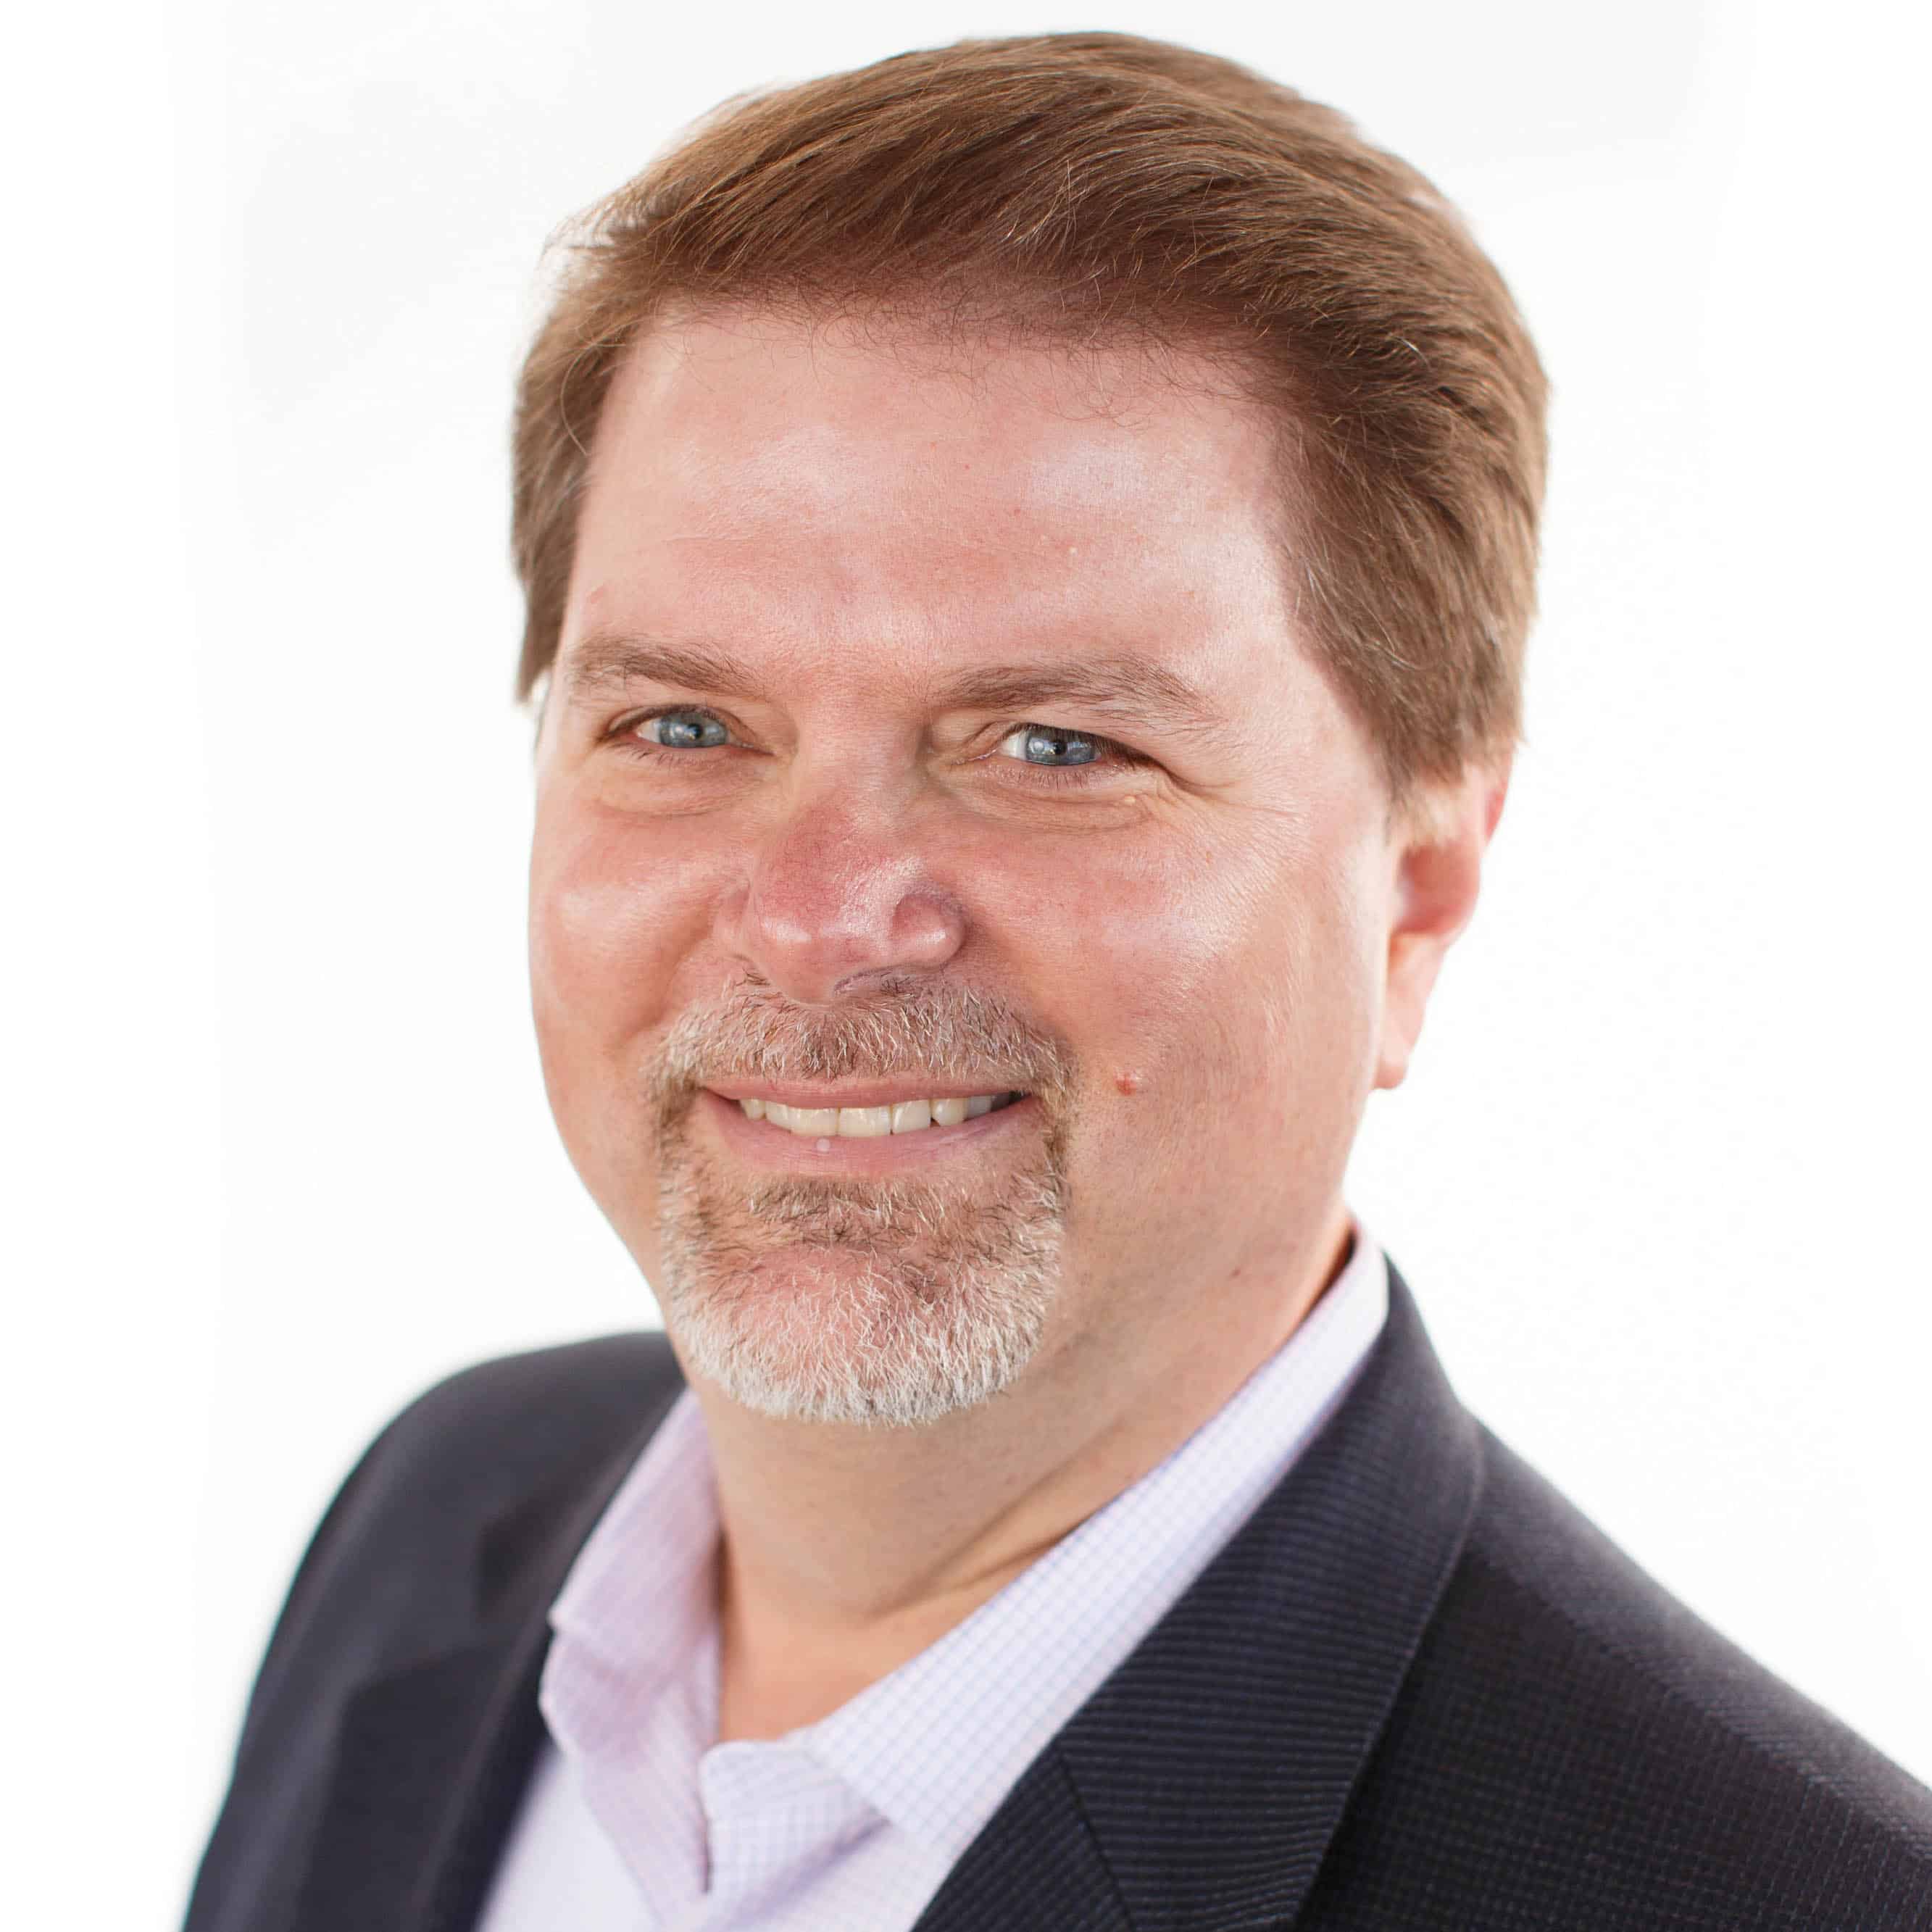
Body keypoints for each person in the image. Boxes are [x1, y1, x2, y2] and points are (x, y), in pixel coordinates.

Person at [184, 30, 1932, 1931]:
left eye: (1052, 748)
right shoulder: (444, 1516)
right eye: (682, 722)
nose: (819, 913)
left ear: (1418, 886)